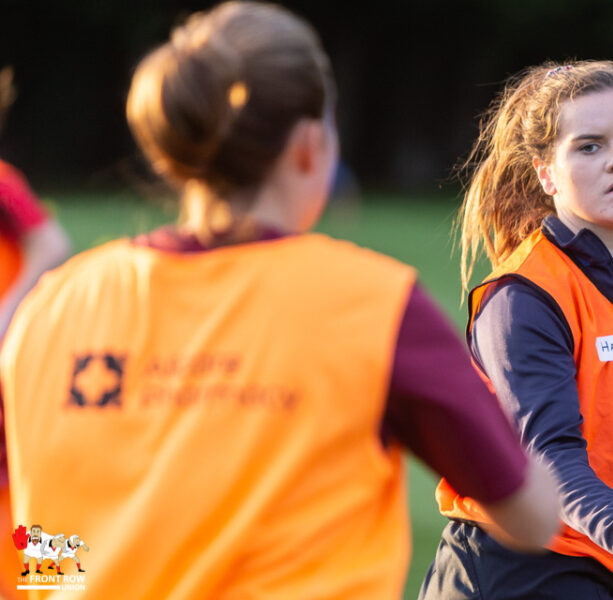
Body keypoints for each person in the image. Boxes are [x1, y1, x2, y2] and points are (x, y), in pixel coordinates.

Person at [0, 3, 559, 598]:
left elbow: (33, 536)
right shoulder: (368, 304)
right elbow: (530, 516)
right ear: (310, 145)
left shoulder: (51, 307)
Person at [422, 59, 613, 599]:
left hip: (605, 563)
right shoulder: (524, 297)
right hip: (514, 570)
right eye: (589, 147)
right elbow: (547, 453)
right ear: (546, 173)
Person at [0, 65, 71, 600]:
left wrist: (6, 312)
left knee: (41, 510)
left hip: (13, 385)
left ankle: (61, 585)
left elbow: (52, 244)